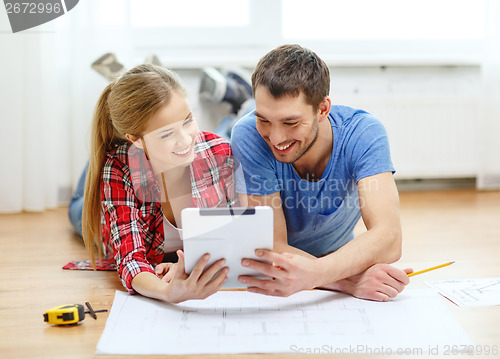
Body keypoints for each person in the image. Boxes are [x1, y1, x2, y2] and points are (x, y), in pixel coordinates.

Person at [231, 44, 413, 301]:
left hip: (333, 256)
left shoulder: (363, 133)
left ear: (323, 109)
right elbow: (270, 246)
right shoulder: (249, 134)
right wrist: (345, 282)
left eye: (290, 122)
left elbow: (390, 237)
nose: (275, 137)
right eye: (264, 119)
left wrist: (317, 273)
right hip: (311, 266)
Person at [82, 64, 238, 303]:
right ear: (136, 139)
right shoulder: (119, 168)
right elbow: (130, 259)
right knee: (78, 207)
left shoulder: (218, 152)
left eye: (188, 121)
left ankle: (235, 111)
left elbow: (229, 237)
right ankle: (122, 76)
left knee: (223, 133)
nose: (186, 139)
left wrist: (185, 267)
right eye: (167, 134)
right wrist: (168, 292)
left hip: (166, 157)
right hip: (106, 214)